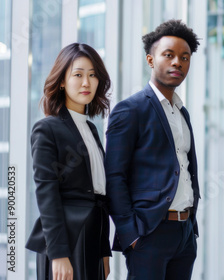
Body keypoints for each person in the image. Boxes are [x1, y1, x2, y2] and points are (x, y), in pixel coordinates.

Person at [105, 19, 200, 279]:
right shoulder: (130, 110)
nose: (177, 63)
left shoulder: (182, 113)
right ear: (150, 60)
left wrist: (190, 228)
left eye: (184, 57)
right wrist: (130, 234)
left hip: (184, 234)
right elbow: (114, 176)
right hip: (149, 234)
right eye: (168, 55)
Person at [26, 43, 112, 280]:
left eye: (93, 75)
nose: (86, 82)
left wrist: (104, 251)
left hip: (94, 235)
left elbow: (99, 194)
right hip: (67, 240)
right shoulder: (47, 128)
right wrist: (58, 254)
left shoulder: (92, 130)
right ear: (62, 81)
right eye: (78, 74)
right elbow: (47, 193)